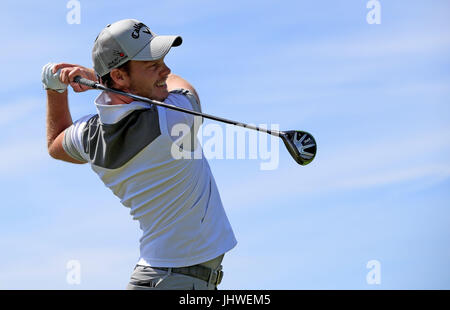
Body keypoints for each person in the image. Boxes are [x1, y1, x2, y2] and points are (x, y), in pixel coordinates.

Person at [42, 18, 237, 290]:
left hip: (163, 277)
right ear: (120, 77)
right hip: (176, 281)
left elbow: (55, 144)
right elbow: (183, 86)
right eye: (153, 65)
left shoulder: (89, 136)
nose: (165, 70)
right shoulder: (172, 119)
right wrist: (97, 76)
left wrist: (54, 88)